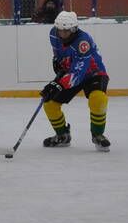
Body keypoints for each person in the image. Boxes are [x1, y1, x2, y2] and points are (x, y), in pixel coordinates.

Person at [40, 10, 110, 150]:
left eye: (66, 31)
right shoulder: (53, 33)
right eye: (60, 30)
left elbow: (78, 74)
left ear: (74, 29)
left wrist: (57, 84)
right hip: (71, 71)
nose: (62, 34)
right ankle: (62, 135)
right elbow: (59, 54)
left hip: (92, 73)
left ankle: (97, 134)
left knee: (98, 99)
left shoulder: (83, 42)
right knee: (49, 103)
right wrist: (58, 62)